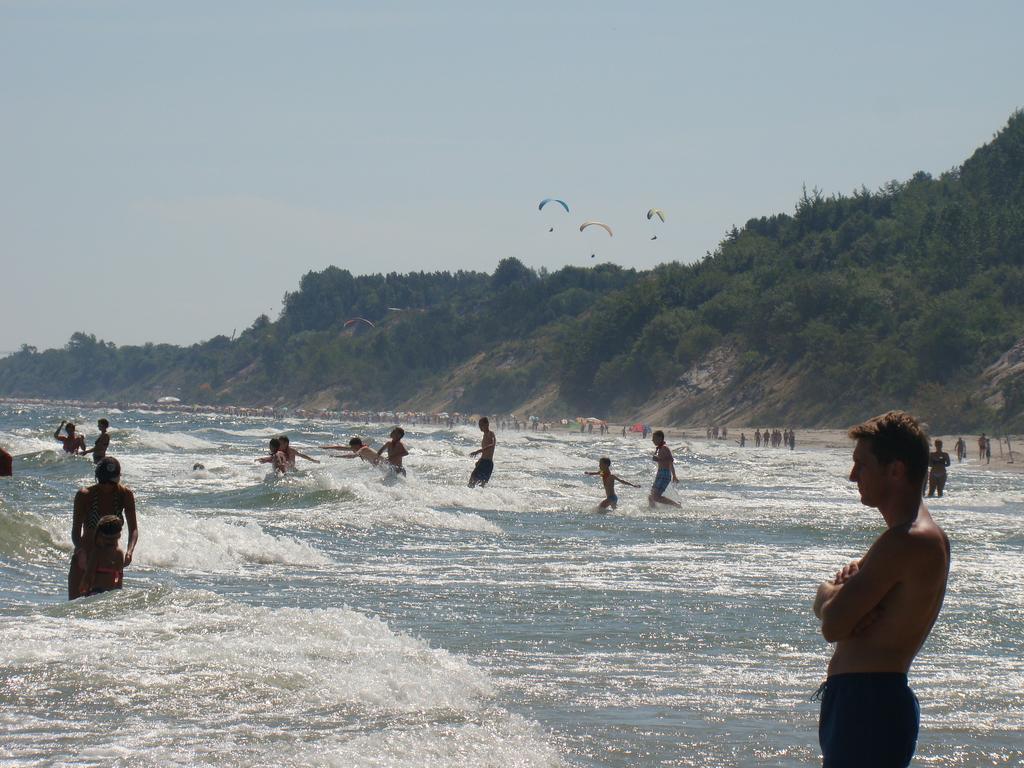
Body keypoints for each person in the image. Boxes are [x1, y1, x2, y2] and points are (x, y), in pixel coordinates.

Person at [813, 411, 950, 768]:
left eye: (862, 464)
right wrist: (831, 593)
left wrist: (830, 594)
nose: (853, 475)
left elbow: (833, 624)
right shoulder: (906, 538)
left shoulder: (907, 541)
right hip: (866, 700)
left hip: (869, 704)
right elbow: (832, 607)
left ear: (895, 470)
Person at [68, 457, 139, 600]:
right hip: (85, 560)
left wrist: (129, 552)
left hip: (110, 563)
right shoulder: (84, 495)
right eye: (103, 481)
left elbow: (133, 529)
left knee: (107, 610)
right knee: (74, 609)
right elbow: (75, 531)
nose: (106, 486)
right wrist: (81, 552)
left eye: (110, 483)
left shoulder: (125, 495)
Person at [79, 514, 125, 596]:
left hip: (96, 592)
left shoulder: (97, 553)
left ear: (101, 535)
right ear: (119, 535)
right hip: (111, 593)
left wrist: (83, 589)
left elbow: (88, 575)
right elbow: (119, 578)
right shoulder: (119, 553)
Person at [648, 430, 680, 507]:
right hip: (660, 473)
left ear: (660, 438)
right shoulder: (660, 448)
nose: (652, 440)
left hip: (664, 474)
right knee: (651, 497)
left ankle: (676, 505)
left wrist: (674, 475)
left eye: (654, 438)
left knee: (655, 497)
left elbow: (670, 461)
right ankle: (652, 511)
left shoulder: (665, 448)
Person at [468, 417, 496, 488]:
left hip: (487, 463)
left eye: (481, 425)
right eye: (479, 425)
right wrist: (479, 460)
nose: (480, 427)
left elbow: (492, 444)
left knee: (479, 484)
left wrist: (478, 451)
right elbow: (486, 452)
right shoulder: (484, 435)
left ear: (487, 424)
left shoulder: (491, 434)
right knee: (473, 483)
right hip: (483, 462)